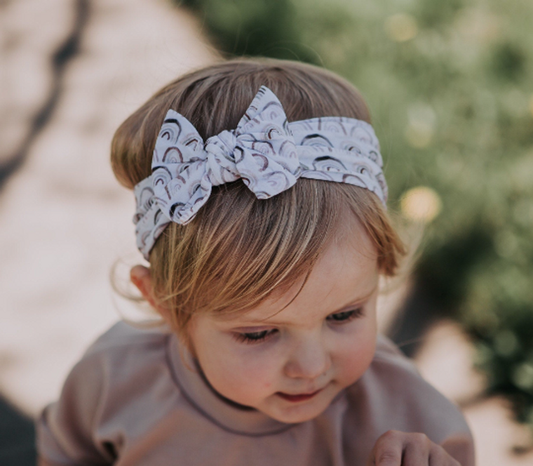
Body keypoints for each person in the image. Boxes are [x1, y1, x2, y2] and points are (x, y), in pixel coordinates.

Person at [36, 58, 475, 466]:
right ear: (164, 305)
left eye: (343, 314)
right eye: (259, 333)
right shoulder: (114, 379)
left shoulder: (413, 423)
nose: (311, 366)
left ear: (379, 267)